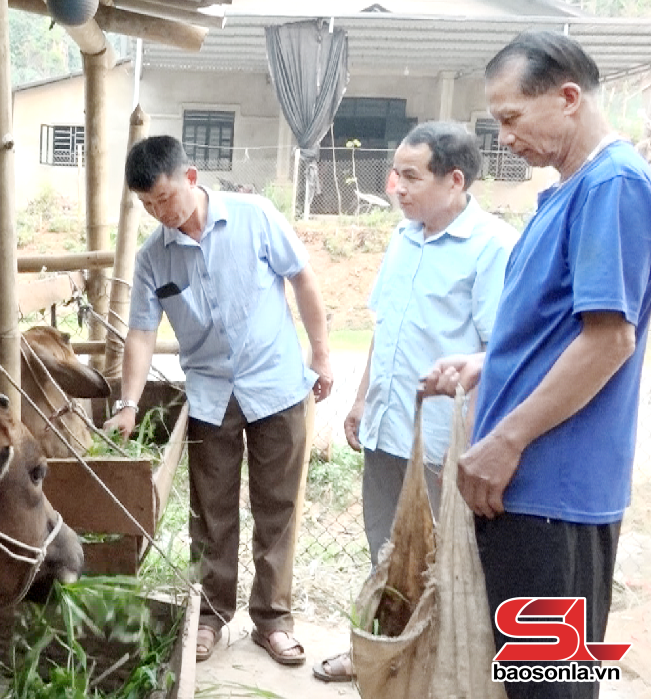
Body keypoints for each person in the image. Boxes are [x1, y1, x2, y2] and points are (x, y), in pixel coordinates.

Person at [422, 31, 651, 699]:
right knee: (527, 679)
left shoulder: (611, 186)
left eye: (511, 117)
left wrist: (506, 439)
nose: (504, 137)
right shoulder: (571, 190)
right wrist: (488, 363)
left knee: (548, 685)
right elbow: (560, 329)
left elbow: (609, 340)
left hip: (553, 489)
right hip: (528, 490)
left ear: (568, 98)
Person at [104, 135, 333, 666]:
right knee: (211, 512)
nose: (159, 213)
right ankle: (208, 616)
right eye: (147, 205)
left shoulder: (256, 216)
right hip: (210, 395)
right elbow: (141, 333)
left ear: (190, 177)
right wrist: (128, 403)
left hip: (276, 384)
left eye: (164, 198)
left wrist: (321, 354)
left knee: (278, 508)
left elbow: (302, 279)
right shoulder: (152, 258)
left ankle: (273, 621)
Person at [313, 121, 519, 684]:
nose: (396, 188)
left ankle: (437, 669)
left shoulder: (492, 247)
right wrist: (362, 400)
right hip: (387, 427)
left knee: (445, 558)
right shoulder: (403, 238)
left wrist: (480, 442)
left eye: (410, 176)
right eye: (395, 175)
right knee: (386, 548)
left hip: (445, 440)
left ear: (455, 181)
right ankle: (379, 653)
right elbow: (385, 327)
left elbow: (498, 352)